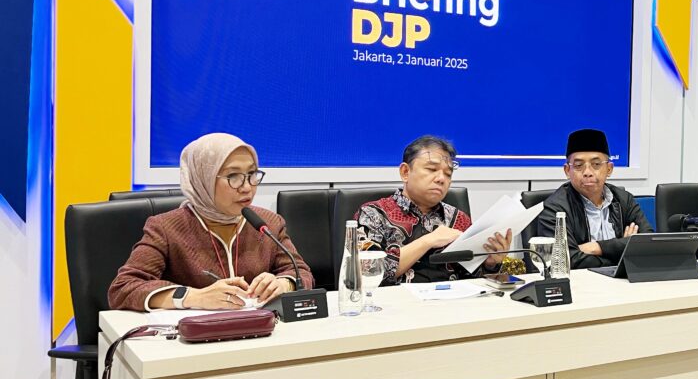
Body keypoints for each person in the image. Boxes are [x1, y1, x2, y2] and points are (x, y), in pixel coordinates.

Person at [108, 133, 313, 311]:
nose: (247, 187)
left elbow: (301, 273)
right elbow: (123, 288)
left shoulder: (268, 223)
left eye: (251, 174)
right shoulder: (166, 228)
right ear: (203, 178)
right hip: (194, 339)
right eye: (233, 176)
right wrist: (193, 297)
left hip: (261, 333)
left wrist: (284, 284)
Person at [356, 136, 511, 284]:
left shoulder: (459, 219)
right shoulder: (373, 214)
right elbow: (366, 273)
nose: (441, 179)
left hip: (452, 301)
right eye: (431, 169)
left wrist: (490, 264)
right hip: (395, 301)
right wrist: (429, 241)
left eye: (448, 174)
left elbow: (473, 280)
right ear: (405, 172)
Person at [536, 128, 652, 269]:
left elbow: (648, 243)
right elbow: (566, 260)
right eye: (578, 166)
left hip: (624, 281)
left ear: (609, 169)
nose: (587, 172)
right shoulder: (554, 208)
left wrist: (596, 247)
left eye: (596, 164)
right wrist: (623, 249)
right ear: (567, 171)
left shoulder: (624, 200)